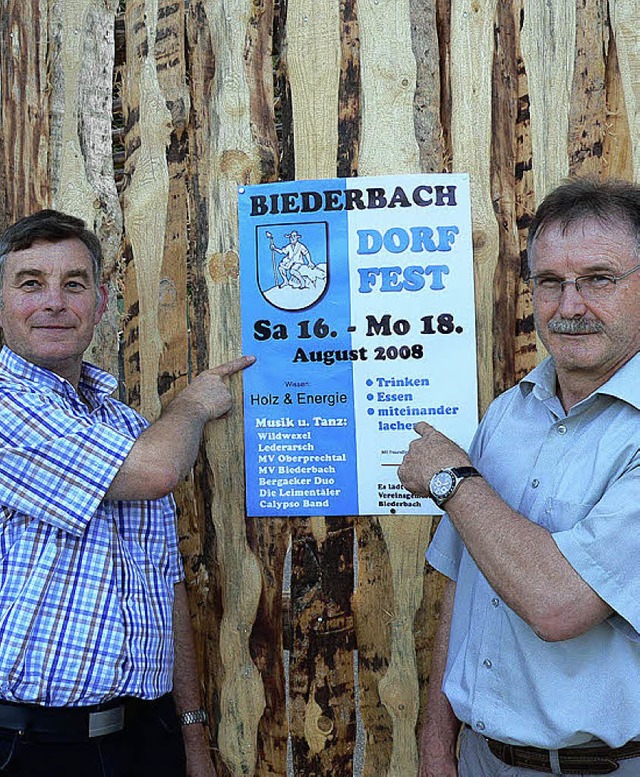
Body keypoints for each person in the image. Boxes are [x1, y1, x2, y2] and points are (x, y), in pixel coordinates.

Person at [398, 177, 640, 776]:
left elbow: (558, 605)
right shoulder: (511, 411)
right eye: (550, 283)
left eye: (599, 280)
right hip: (482, 759)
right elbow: (464, 582)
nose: (570, 306)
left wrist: (453, 480)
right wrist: (435, 747)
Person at [0, 209, 255, 776]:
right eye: (30, 283)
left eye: (74, 283)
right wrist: (190, 405)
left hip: (144, 736)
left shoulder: (122, 423)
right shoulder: (6, 408)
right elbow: (157, 471)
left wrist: (190, 736)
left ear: (102, 300)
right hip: (31, 745)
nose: (54, 302)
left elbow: (166, 587)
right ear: (2, 300)